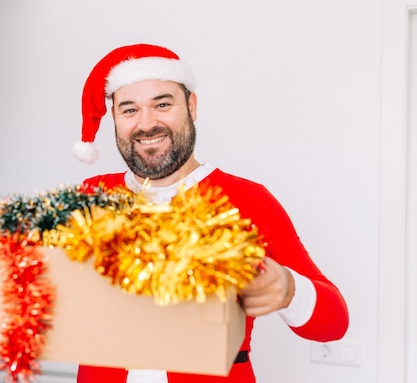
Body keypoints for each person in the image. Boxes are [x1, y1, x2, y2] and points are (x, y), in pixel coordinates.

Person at [70, 44, 349, 383]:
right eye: (129, 110)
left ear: (191, 106)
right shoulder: (92, 195)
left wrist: (289, 289)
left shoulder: (247, 199)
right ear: (114, 118)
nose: (147, 123)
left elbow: (334, 323)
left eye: (162, 104)